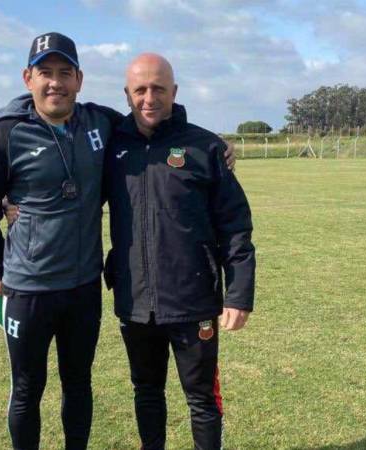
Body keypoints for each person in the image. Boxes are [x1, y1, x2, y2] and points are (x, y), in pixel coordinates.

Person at [0, 33, 236, 450]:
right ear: (28, 78)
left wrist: (213, 144)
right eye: (45, 73)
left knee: (78, 384)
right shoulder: (7, 133)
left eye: (64, 73)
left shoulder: (102, 123)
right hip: (26, 289)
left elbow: (150, 119)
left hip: (82, 288)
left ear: (79, 79)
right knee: (27, 390)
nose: (55, 83)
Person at [103, 53, 256, 450]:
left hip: (195, 300)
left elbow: (236, 226)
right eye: (140, 89)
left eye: (158, 87)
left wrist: (239, 295)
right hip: (134, 300)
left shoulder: (205, 147)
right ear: (127, 94)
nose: (149, 97)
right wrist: (13, 202)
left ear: (174, 91)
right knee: (146, 391)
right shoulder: (111, 145)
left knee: (202, 399)